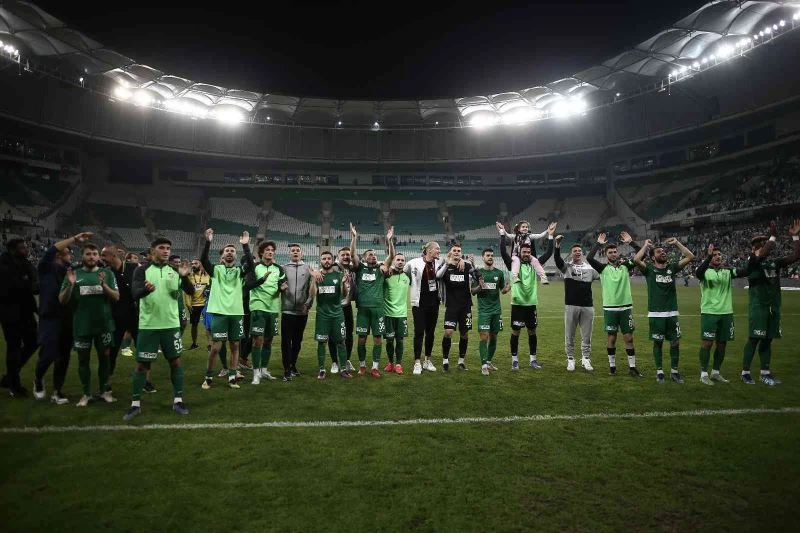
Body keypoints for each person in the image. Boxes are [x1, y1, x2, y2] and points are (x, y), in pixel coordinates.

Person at [124, 237, 194, 420]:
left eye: (168, 248)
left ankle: (178, 401)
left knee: (175, 363)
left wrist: (184, 276)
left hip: (171, 325)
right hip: (149, 326)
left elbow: (191, 291)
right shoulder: (141, 270)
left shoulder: (174, 271)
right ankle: (135, 404)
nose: (166, 251)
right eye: (161, 247)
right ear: (152, 250)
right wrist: (146, 290)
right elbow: (135, 294)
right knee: (142, 365)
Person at [740, 219, 800, 385]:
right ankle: (745, 372)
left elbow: (796, 256)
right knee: (754, 338)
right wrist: (772, 237)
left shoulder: (774, 263)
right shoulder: (752, 262)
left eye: (764, 243)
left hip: (774, 307)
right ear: (754, 249)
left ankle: (765, 372)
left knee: (768, 339)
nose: (763, 246)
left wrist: (795, 237)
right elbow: (762, 254)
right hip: (758, 307)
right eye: (760, 245)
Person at [34, 232, 92, 403]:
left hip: (68, 318)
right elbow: (51, 249)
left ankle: (57, 391)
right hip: (50, 317)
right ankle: (38, 379)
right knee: (48, 353)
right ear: (59, 255)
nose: (71, 256)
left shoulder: (71, 271)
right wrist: (74, 238)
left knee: (64, 356)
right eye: (68, 253)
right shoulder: (46, 267)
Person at [59, 243, 120, 406]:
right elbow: (62, 300)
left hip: (104, 325)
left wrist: (104, 286)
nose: (92, 257)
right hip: (82, 326)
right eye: (88, 254)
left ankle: (104, 391)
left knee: (105, 360)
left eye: (94, 254)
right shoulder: (74, 274)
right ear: (82, 256)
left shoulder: (107, 273)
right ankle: (86, 394)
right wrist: (71, 285)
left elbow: (116, 297)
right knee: (83, 361)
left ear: (98, 256)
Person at [633, 237, 695, 384]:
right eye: (659, 252)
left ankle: (674, 372)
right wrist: (645, 245)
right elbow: (636, 259)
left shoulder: (672, 268)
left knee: (675, 343)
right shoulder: (649, 269)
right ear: (653, 257)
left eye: (664, 251)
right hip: (656, 314)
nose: (663, 252)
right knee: (658, 343)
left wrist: (677, 243)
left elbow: (690, 256)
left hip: (672, 313)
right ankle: (659, 372)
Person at [201, 229, 254, 389]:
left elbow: (251, 264)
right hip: (220, 314)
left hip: (236, 314)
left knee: (235, 346)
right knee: (216, 348)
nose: (230, 252)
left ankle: (232, 376)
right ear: (222, 256)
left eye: (232, 251)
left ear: (236, 256)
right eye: (227, 251)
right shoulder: (216, 270)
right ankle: (208, 377)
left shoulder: (239, 271)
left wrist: (245, 245)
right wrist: (208, 242)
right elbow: (204, 259)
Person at [586, 231, 643, 377]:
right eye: (610, 252)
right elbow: (589, 258)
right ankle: (612, 367)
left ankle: (632, 368)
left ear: (618, 253)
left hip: (626, 308)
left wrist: (631, 242)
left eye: (614, 252)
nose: (613, 254)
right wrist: (598, 244)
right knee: (612, 338)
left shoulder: (626, 266)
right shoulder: (603, 269)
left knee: (629, 338)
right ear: (606, 255)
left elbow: (641, 255)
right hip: (610, 308)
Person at [500, 224, 555, 370]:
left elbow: (549, 253)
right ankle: (514, 360)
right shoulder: (513, 264)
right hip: (517, 304)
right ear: (519, 252)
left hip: (531, 304)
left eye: (528, 252)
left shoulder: (534, 263)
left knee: (532, 331)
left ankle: (533, 360)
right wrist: (502, 234)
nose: (526, 254)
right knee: (515, 332)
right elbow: (503, 252)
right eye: (524, 252)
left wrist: (550, 235)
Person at [694, 244, 748, 385]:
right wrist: (708, 257)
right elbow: (698, 273)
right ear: (709, 257)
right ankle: (703, 374)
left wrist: (756, 255)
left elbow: (746, 271)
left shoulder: (727, 271)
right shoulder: (705, 271)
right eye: (715, 255)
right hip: (709, 312)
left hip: (726, 313)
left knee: (722, 344)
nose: (718, 257)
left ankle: (716, 372)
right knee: (707, 343)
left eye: (719, 254)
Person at [349, 223, 395, 378]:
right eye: (370, 254)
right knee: (361, 338)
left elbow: (391, 257)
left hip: (378, 309)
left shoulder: (381, 269)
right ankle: (362, 366)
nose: (373, 256)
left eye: (374, 254)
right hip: (363, 309)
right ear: (364, 258)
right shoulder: (360, 268)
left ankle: (375, 367)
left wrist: (390, 241)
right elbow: (352, 255)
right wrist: (354, 238)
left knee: (377, 338)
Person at [0, 238, 39, 397]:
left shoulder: (25, 264)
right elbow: (19, 288)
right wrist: (26, 282)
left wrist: (36, 310)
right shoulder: (4, 266)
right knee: (14, 347)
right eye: (22, 247)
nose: (26, 249)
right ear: (12, 250)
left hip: (26, 312)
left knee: (34, 342)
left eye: (25, 247)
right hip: (9, 313)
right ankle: (14, 385)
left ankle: (10, 376)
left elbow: (33, 287)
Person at [553, 236, 599, 372]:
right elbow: (557, 260)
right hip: (571, 305)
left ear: (582, 253)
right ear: (571, 254)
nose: (577, 252)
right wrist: (557, 245)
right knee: (569, 335)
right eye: (575, 251)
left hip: (588, 306)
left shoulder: (590, 269)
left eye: (579, 251)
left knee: (586, 336)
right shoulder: (567, 267)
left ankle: (586, 359)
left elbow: (604, 274)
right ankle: (570, 359)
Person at [246, 241, 288, 385]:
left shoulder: (278, 269)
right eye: (267, 250)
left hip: (273, 307)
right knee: (257, 340)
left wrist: (282, 288)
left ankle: (264, 370)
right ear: (261, 253)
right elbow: (249, 284)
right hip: (258, 306)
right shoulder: (255, 267)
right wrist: (262, 279)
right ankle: (256, 373)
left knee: (268, 340)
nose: (270, 252)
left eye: (272, 250)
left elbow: (282, 284)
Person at [100, 244, 139, 393]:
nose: (102, 258)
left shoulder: (133, 268)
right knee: (111, 351)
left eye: (104, 255)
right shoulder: (105, 272)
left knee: (142, 350)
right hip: (115, 317)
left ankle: (145, 381)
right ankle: (106, 383)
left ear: (113, 256)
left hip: (135, 316)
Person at [404, 241, 444, 375]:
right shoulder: (414, 262)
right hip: (419, 303)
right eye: (437, 249)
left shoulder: (439, 263)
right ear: (429, 250)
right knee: (419, 332)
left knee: (430, 333)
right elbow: (404, 271)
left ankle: (427, 360)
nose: (439, 251)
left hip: (434, 303)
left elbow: (452, 260)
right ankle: (417, 362)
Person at [437, 243, 479, 371]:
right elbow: (437, 276)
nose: (456, 252)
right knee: (448, 332)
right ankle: (445, 360)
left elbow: (477, 276)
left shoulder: (466, 266)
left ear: (461, 253)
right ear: (450, 253)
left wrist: (473, 264)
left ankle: (461, 361)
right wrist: (447, 263)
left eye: (459, 251)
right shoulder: (445, 266)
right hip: (451, 305)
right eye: (454, 250)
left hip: (466, 306)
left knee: (464, 333)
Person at [472, 248, 510, 375]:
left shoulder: (499, 273)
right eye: (488, 255)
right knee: (484, 337)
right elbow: (473, 291)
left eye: (492, 255)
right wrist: (480, 286)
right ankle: (483, 365)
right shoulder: (478, 273)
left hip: (496, 311)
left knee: (494, 337)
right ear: (483, 258)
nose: (490, 257)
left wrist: (507, 288)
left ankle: (488, 362)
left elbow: (502, 290)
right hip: (484, 311)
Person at [313, 251, 351, 379]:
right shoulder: (317, 276)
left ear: (333, 260)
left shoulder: (339, 275)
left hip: (337, 315)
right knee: (322, 342)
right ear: (320, 261)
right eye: (324, 259)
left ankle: (343, 369)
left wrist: (343, 283)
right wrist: (313, 280)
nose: (326, 261)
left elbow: (344, 295)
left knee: (341, 342)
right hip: (322, 315)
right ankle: (322, 370)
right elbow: (312, 294)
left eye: (329, 258)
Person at [281, 243, 314, 380]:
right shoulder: (283, 268)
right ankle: (286, 370)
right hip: (287, 311)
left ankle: (292, 365)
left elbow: (312, 288)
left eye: (297, 250)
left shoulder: (308, 268)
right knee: (285, 341)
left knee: (297, 341)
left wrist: (308, 304)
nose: (295, 252)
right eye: (293, 251)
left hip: (302, 311)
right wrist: (280, 288)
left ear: (301, 253)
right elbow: (277, 285)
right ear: (289, 253)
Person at [327, 247, 356, 374]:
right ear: (338, 257)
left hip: (347, 306)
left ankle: (346, 360)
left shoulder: (352, 269)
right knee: (333, 335)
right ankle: (334, 362)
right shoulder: (332, 268)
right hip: (334, 307)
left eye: (347, 255)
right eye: (343, 255)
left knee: (348, 334)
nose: (345, 257)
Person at [383, 251, 410, 374]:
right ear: (393, 261)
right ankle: (390, 363)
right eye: (398, 260)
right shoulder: (386, 275)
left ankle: (398, 364)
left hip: (402, 314)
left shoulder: (407, 277)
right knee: (389, 340)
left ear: (405, 263)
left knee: (399, 340)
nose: (400, 262)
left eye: (402, 260)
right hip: (388, 313)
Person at [186, 258, 210, 350]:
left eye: (195, 263)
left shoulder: (207, 275)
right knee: (194, 325)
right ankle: (194, 343)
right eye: (192, 264)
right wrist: (188, 303)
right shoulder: (189, 276)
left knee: (208, 325)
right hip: (194, 305)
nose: (193, 265)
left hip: (206, 304)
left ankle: (210, 345)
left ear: (200, 264)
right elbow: (186, 291)